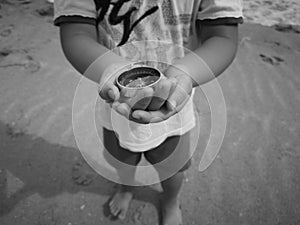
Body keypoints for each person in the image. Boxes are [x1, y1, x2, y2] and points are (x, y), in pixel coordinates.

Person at [54, 0, 243, 224]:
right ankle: (126, 188)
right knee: (122, 160)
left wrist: (185, 72)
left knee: (172, 168)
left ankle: (171, 201)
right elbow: (76, 33)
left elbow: (222, 37)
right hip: (115, 101)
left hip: (175, 102)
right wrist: (111, 67)